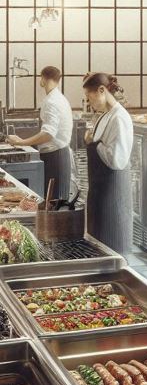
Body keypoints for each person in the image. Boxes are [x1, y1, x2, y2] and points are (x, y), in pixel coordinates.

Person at [82, 73, 134, 254]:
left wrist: (93, 143)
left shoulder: (119, 117)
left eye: (90, 96)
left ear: (102, 90)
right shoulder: (106, 115)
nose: (89, 102)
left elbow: (117, 159)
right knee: (99, 243)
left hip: (112, 191)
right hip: (100, 190)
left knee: (113, 245)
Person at [8, 66, 73, 199]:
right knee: (57, 201)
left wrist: (21, 142)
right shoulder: (59, 98)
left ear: (43, 78)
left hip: (55, 156)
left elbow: (48, 134)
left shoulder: (51, 101)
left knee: (53, 202)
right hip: (60, 153)